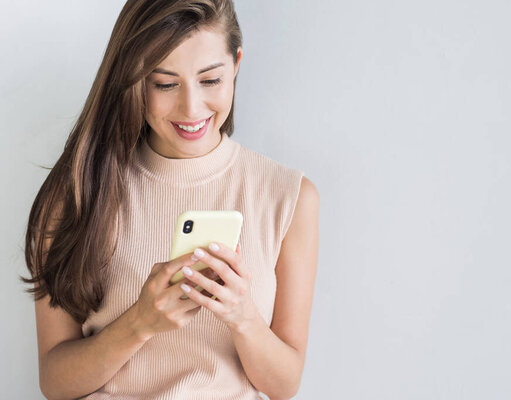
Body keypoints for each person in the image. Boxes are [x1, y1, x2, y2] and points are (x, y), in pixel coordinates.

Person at [21, 1, 319, 399]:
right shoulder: (75, 192)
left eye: (211, 80)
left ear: (236, 64)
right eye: (164, 84)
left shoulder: (289, 197)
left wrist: (243, 317)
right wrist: (139, 323)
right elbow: (55, 383)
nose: (191, 108)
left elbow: (285, 386)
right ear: (133, 81)